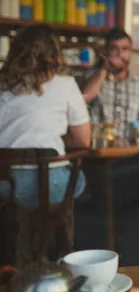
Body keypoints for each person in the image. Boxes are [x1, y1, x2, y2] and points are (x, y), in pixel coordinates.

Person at [0, 25, 89, 208]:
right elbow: (83, 141)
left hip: (4, 185)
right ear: (55, 54)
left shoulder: (2, 85)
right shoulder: (66, 85)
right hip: (50, 184)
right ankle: (50, 233)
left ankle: (20, 231)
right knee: (78, 179)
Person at [82, 28, 139, 140]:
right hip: (99, 149)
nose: (120, 54)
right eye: (114, 49)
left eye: (125, 49)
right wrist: (105, 68)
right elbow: (84, 98)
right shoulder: (92, 77)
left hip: (130, 150)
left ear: (130, 52)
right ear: (106, 51)